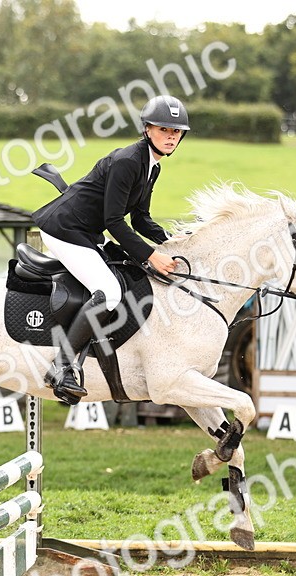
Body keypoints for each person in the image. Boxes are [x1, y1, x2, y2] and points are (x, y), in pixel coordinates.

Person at [31, 95, 187, 404]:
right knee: (109, 290)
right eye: (164, 129)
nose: (171, 136)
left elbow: (140, 218)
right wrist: (151, 255)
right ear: (147, 129)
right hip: (63, 228)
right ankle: (61, 367)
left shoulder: (151, 167)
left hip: (86, 231)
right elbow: (114, 221)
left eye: (176, 131)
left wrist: (175, 240)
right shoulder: (129, 161)